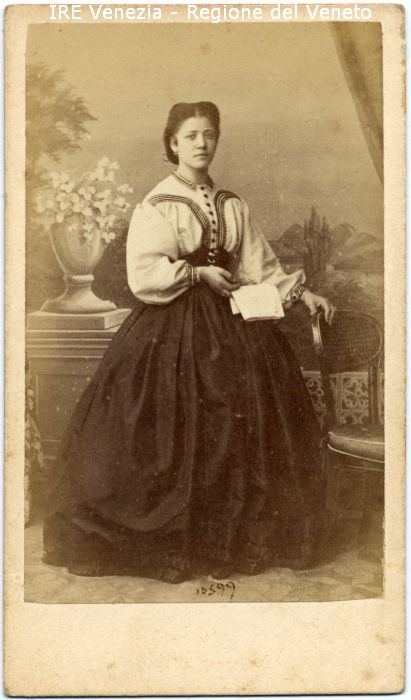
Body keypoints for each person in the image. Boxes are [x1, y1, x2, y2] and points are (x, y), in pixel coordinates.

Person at [43, 101, 336, 583]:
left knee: (244, 414)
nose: (202, 143)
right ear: (173, 144)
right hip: (173, 327)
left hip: (234, 324)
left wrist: (304, 295)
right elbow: (144, 275)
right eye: (191, 135)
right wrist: (198, 274)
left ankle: (234, 534)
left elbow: (259, 267)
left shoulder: (232, 204)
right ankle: (179, 535)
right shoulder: (158, 204)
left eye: (209, 134)